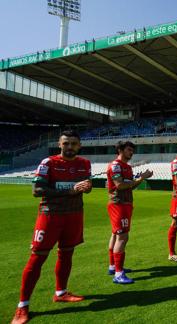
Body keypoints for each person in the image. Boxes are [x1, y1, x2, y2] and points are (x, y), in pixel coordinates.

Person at [11, 130, 92, 324]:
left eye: (74, 143)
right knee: (37, 257)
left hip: (74, 214)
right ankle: (22, 306)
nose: (70, 147)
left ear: (79, 146)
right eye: (66, 143)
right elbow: (37, 190)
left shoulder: (84, 164)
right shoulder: (48, 163)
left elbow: (83, 187)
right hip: (50, 215)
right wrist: (70, 190)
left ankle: (61, 292)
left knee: (67, 253)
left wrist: (86, 188)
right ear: (59, 144)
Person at [106, 141, 153, 284]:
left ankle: (113, 266)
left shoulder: (127, 167)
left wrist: (141, 179)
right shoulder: (115, 166)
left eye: (132, 150)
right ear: (120, 150)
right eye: (128, 150)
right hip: (118, 203)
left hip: (125, 203)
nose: (131, 152)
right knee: (123, 237)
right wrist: (141, 178)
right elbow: (120, 186)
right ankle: (119, 274)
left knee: (116, 234)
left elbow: (129, 187)